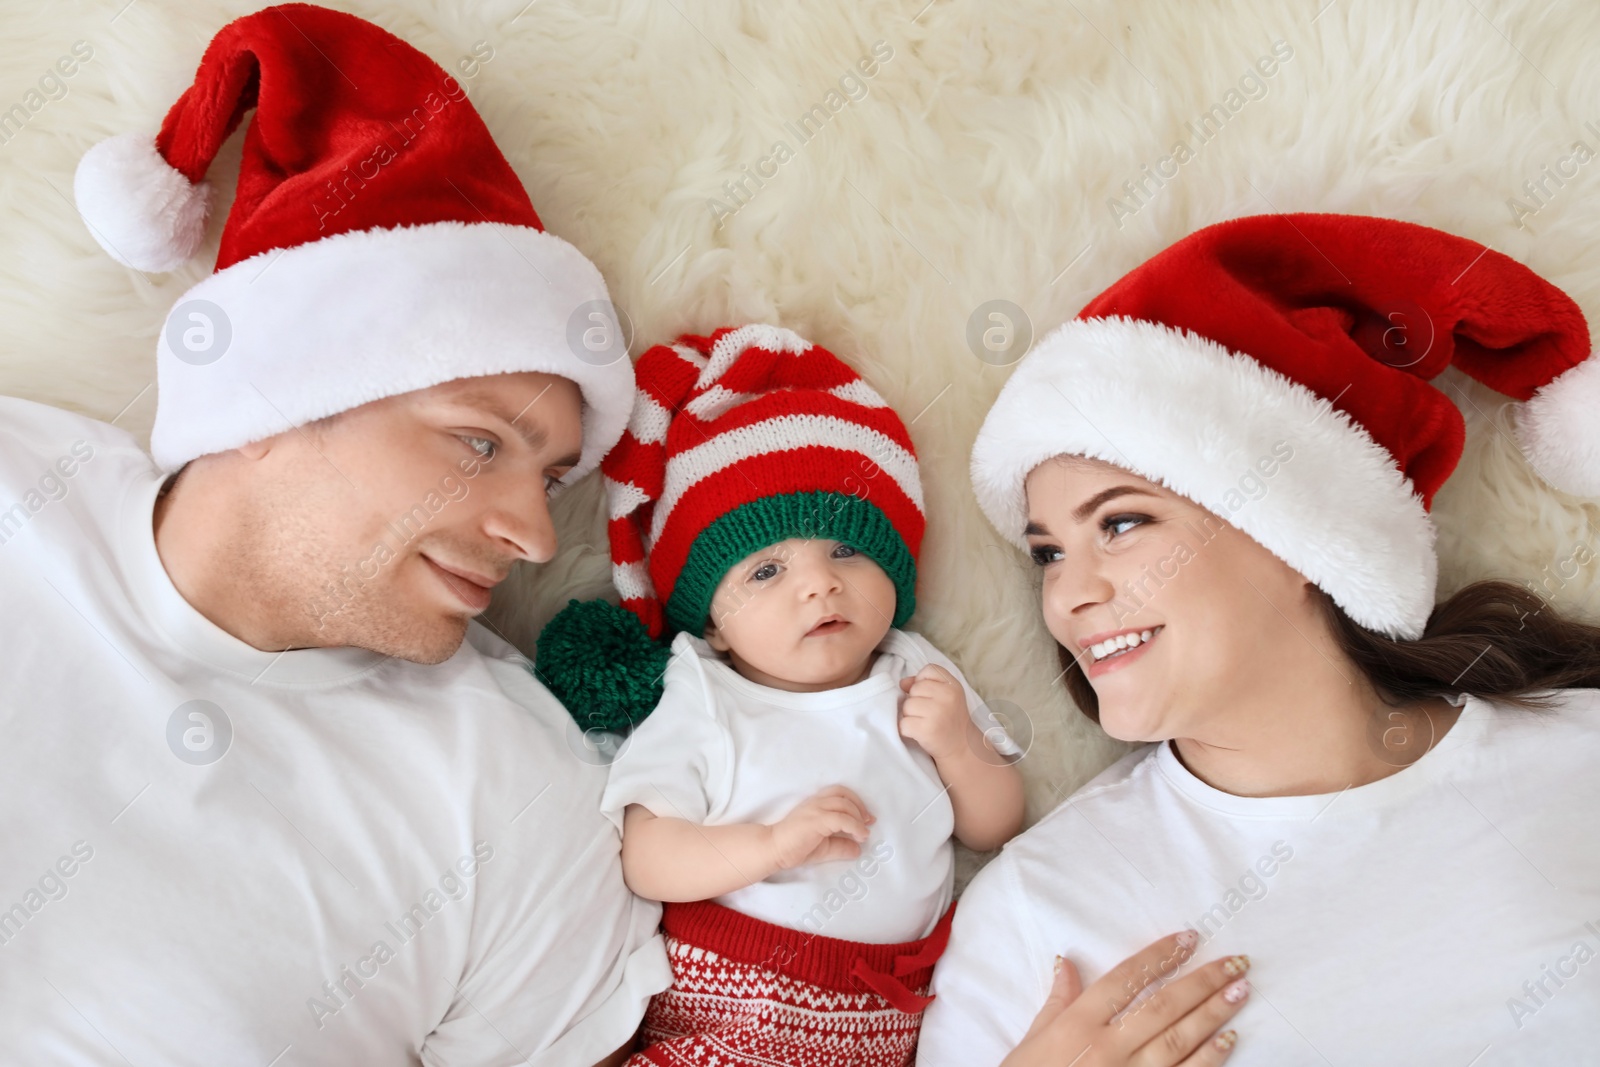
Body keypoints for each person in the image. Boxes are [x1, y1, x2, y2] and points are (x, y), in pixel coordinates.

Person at [1, 6, 669, 1064]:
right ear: (273, 399)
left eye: (551, 475)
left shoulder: (514, 797)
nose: (538, 534)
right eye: (481, 444)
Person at [917, 212, 1600, 1065]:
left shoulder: (1579, 761)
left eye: (1121, 523)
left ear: (1303, 540)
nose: (1068, 595)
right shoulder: (1040, 908)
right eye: (1048, 552)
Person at [534, 324, 1025, 1066]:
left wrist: (959, 748)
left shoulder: (917, 672)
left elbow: (992, 825)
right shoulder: (705, 693)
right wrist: (767, 846)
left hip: (886, 1021)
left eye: (847, 550)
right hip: (732, 1007)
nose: (819, 582)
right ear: (716, 627)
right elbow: (647, 856)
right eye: (766, 571)